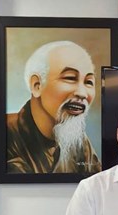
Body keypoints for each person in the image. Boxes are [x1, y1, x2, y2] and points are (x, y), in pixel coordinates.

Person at [6, 40, 101, 174]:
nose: (82, 93)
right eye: (70, 78)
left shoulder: (78, 141)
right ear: (37, 85)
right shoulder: (5, 134)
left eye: (89, 82)